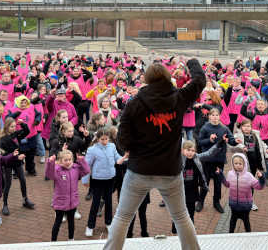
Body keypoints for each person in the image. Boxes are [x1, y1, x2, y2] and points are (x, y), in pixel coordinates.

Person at [103, 58, 205, 250]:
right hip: (170, 170)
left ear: (147, 80)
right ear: (168, 78)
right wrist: (191, 62)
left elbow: (122, 138)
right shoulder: (180, 97)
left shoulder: (134, 104)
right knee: (182, 217)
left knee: (123, 217)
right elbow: (200, 81)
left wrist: (133, 147)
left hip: (139, 170)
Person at [83, 129, 127, 238]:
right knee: (96, 203)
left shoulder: (112, 146)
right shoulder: (92, 150)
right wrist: (85, 180)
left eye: (106, 139)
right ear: (97, 139)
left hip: (110, 179)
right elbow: (87, 165)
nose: (105, 141)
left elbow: (117, 158)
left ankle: (109, 223)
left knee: (109, 201)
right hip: (97, 180)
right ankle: (90, 226)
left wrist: (125, 157)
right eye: (102, 139)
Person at [173, 140, 221, 234]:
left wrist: (220, 143)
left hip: (192, 191)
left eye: (192, 150)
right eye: (188, 150)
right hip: (180, 192)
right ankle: (175, 232)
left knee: (191, 212)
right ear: (182, 150)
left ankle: (191, 231)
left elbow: (208, 154)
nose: (191, 152)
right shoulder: (178, 159)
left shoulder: (196, 158)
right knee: (178, 214)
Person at [197, 108, 239, 213]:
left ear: (219, 116)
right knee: (204, 181)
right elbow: (200, 142)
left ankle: (216, 202)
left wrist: (236, 141)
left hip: (219, 159)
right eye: (213, 115)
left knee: (218, 182)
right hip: (207, 159)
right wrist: (209, 140)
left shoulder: (224, 128)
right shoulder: (205, 128)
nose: (215, 117)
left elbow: (231, 140)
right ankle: (201, 201)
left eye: (217, 115)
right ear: (209, 116)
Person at [45, 150, 90, 241]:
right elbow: (48, 174)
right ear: (61, 160)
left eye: (70, 159)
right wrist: (50, 162)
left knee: (71, 221)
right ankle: (53, 241)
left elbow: (86, 171)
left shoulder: (75, 168)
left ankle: (71, 239)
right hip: (60, 202)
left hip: (72, 201)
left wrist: (82, 161)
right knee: (58, 222)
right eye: (65, 160)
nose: (68, 162)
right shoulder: (57, 170)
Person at [215, 153, 265, 233]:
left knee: (246, 222)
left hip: (245, 205)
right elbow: (227, 184)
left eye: (240, 164)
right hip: (233, 204)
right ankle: (230, 235)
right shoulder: (230, 174)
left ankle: (249, 235)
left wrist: (261, 179)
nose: (237, 165)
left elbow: (259, 186)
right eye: (236, 163)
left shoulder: (249, 176)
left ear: (244, 164)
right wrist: (220, 175)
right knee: (232, 221)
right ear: (232, 164)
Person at [231, 119, 268, 210]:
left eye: (248, 126)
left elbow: (262, 145)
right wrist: (242, 147)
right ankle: (239, 200)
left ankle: (250, 200)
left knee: (250, 182)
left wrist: (267, 153)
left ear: (251, 127)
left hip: (254, 164)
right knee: (241, 183)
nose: (246, 128)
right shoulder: (237, 136)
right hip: (242, 164)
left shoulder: (256, 135)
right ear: (241, 127)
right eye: (244, 126)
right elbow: (232, 147)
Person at [0, 117, 34, 215]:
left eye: (15, 126)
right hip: (8, 163)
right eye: (11, 127)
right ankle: (4, 204)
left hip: (17, 162)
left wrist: (22, 124)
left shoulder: (16, 134)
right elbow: (4, 155)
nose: (14, 128)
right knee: (8, 184)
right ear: (6, 127)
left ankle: (25, 200)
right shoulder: (3, 139)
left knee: (23, 180)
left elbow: (26, 131)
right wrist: (16, 157)